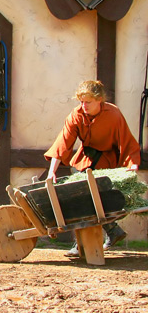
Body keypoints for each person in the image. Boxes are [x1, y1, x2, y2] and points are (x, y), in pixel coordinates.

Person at [44, 80, 141, 257]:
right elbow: (62, 144)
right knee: (80, 194)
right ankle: (112, 230)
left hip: (106, 161)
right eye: (81, 101)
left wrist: (132, 165)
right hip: (84, 159)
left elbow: (127, 141)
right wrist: (52, 171)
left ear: (99, 100)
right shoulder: (76, 115)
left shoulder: (113, 114)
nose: (83, 105)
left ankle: (81, 244)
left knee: (89, 196)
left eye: (87, 102)